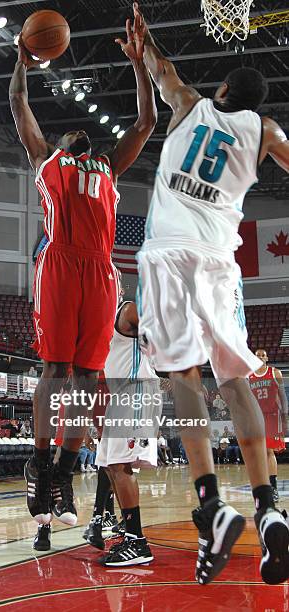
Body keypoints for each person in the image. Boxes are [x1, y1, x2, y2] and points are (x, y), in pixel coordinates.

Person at [137, 2, 289, 585]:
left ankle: (211, 506)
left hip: (167, 255)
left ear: (223, 88)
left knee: (184, 378)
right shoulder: (265, 130)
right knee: (235, 381)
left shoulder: (190, 104)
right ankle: (268, 506)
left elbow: (164, 70)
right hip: (219, 261)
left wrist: (142, 42)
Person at [9, 4, 156, 530]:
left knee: (91, 377)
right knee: (57, 370)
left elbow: (146, 121)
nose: (77, 133)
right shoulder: (47, 158)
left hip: (100, 271)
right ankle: (41, 462)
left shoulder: (109, 165)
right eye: (70, 133)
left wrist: (141, 63)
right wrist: (22, 60)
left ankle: (65, 471)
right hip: (60, 263)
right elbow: (19, 102)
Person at [92, 299, 160, 565]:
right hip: (118, 395)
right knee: (110, 466)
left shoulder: (127, 309)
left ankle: (137, 541)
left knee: (121, 465)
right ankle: (130, 535)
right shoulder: (102, 325)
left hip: (136, 390)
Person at [249, 348, 288, 503]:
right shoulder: (249, 375)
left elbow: (282, 395)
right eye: (257, 356)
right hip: (256, 417)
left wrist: (285, 414)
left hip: (272, 416)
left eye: (262, 355)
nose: (259, 357)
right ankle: (264, 486)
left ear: (266, 358)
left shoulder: (274, 373)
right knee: (260, 453)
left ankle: (273, 488)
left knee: (269, 451)